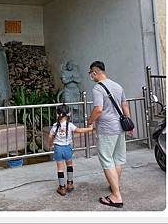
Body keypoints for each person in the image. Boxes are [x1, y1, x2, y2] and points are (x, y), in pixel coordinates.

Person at [87, 61, 132, 208]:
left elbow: (98, 109)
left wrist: (90, 121)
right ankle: (114, 186)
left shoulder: (97, 88)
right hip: (120, 127)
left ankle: (116, 196)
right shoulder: (117, 85)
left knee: (107, 160)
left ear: (94, 72)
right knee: (117, 159)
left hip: (106, 129)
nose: (91, 77)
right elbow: (124, 105)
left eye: (90, 74)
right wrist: (129, 123)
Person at [48, 104, 93, 196]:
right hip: (67, 148)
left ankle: (62, 188)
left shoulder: (55, 126)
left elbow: (50, 136)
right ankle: (70, 184)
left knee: (60, 168)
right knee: (69, 165)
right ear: (68, 114)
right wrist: (90, 128)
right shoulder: (70, 125)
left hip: (58, 148)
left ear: (57, 115)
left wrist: (49, 144)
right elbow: (79, 130)